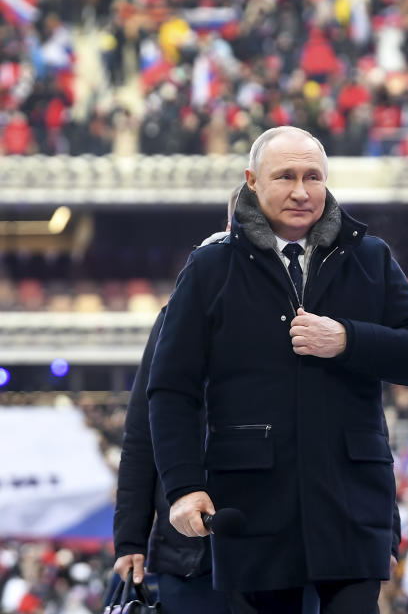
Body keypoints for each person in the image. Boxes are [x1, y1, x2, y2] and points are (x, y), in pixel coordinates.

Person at [147, 126, 408, 613]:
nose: (302, 191)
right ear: (251, 181)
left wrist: (348, 339)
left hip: (351, 502)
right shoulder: (209, 269)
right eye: (285, 176)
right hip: (253, 507)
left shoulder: (371, 257)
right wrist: (183, 487)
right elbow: (170, 390)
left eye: (313, 177)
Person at [111, 188, 237, 613]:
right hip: (190, 552)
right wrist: (129, 539)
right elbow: (142, 433)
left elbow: (355, 422)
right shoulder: (180, 312)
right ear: (230, 226)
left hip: (284, 547)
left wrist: (383, 534)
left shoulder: (310, 308)